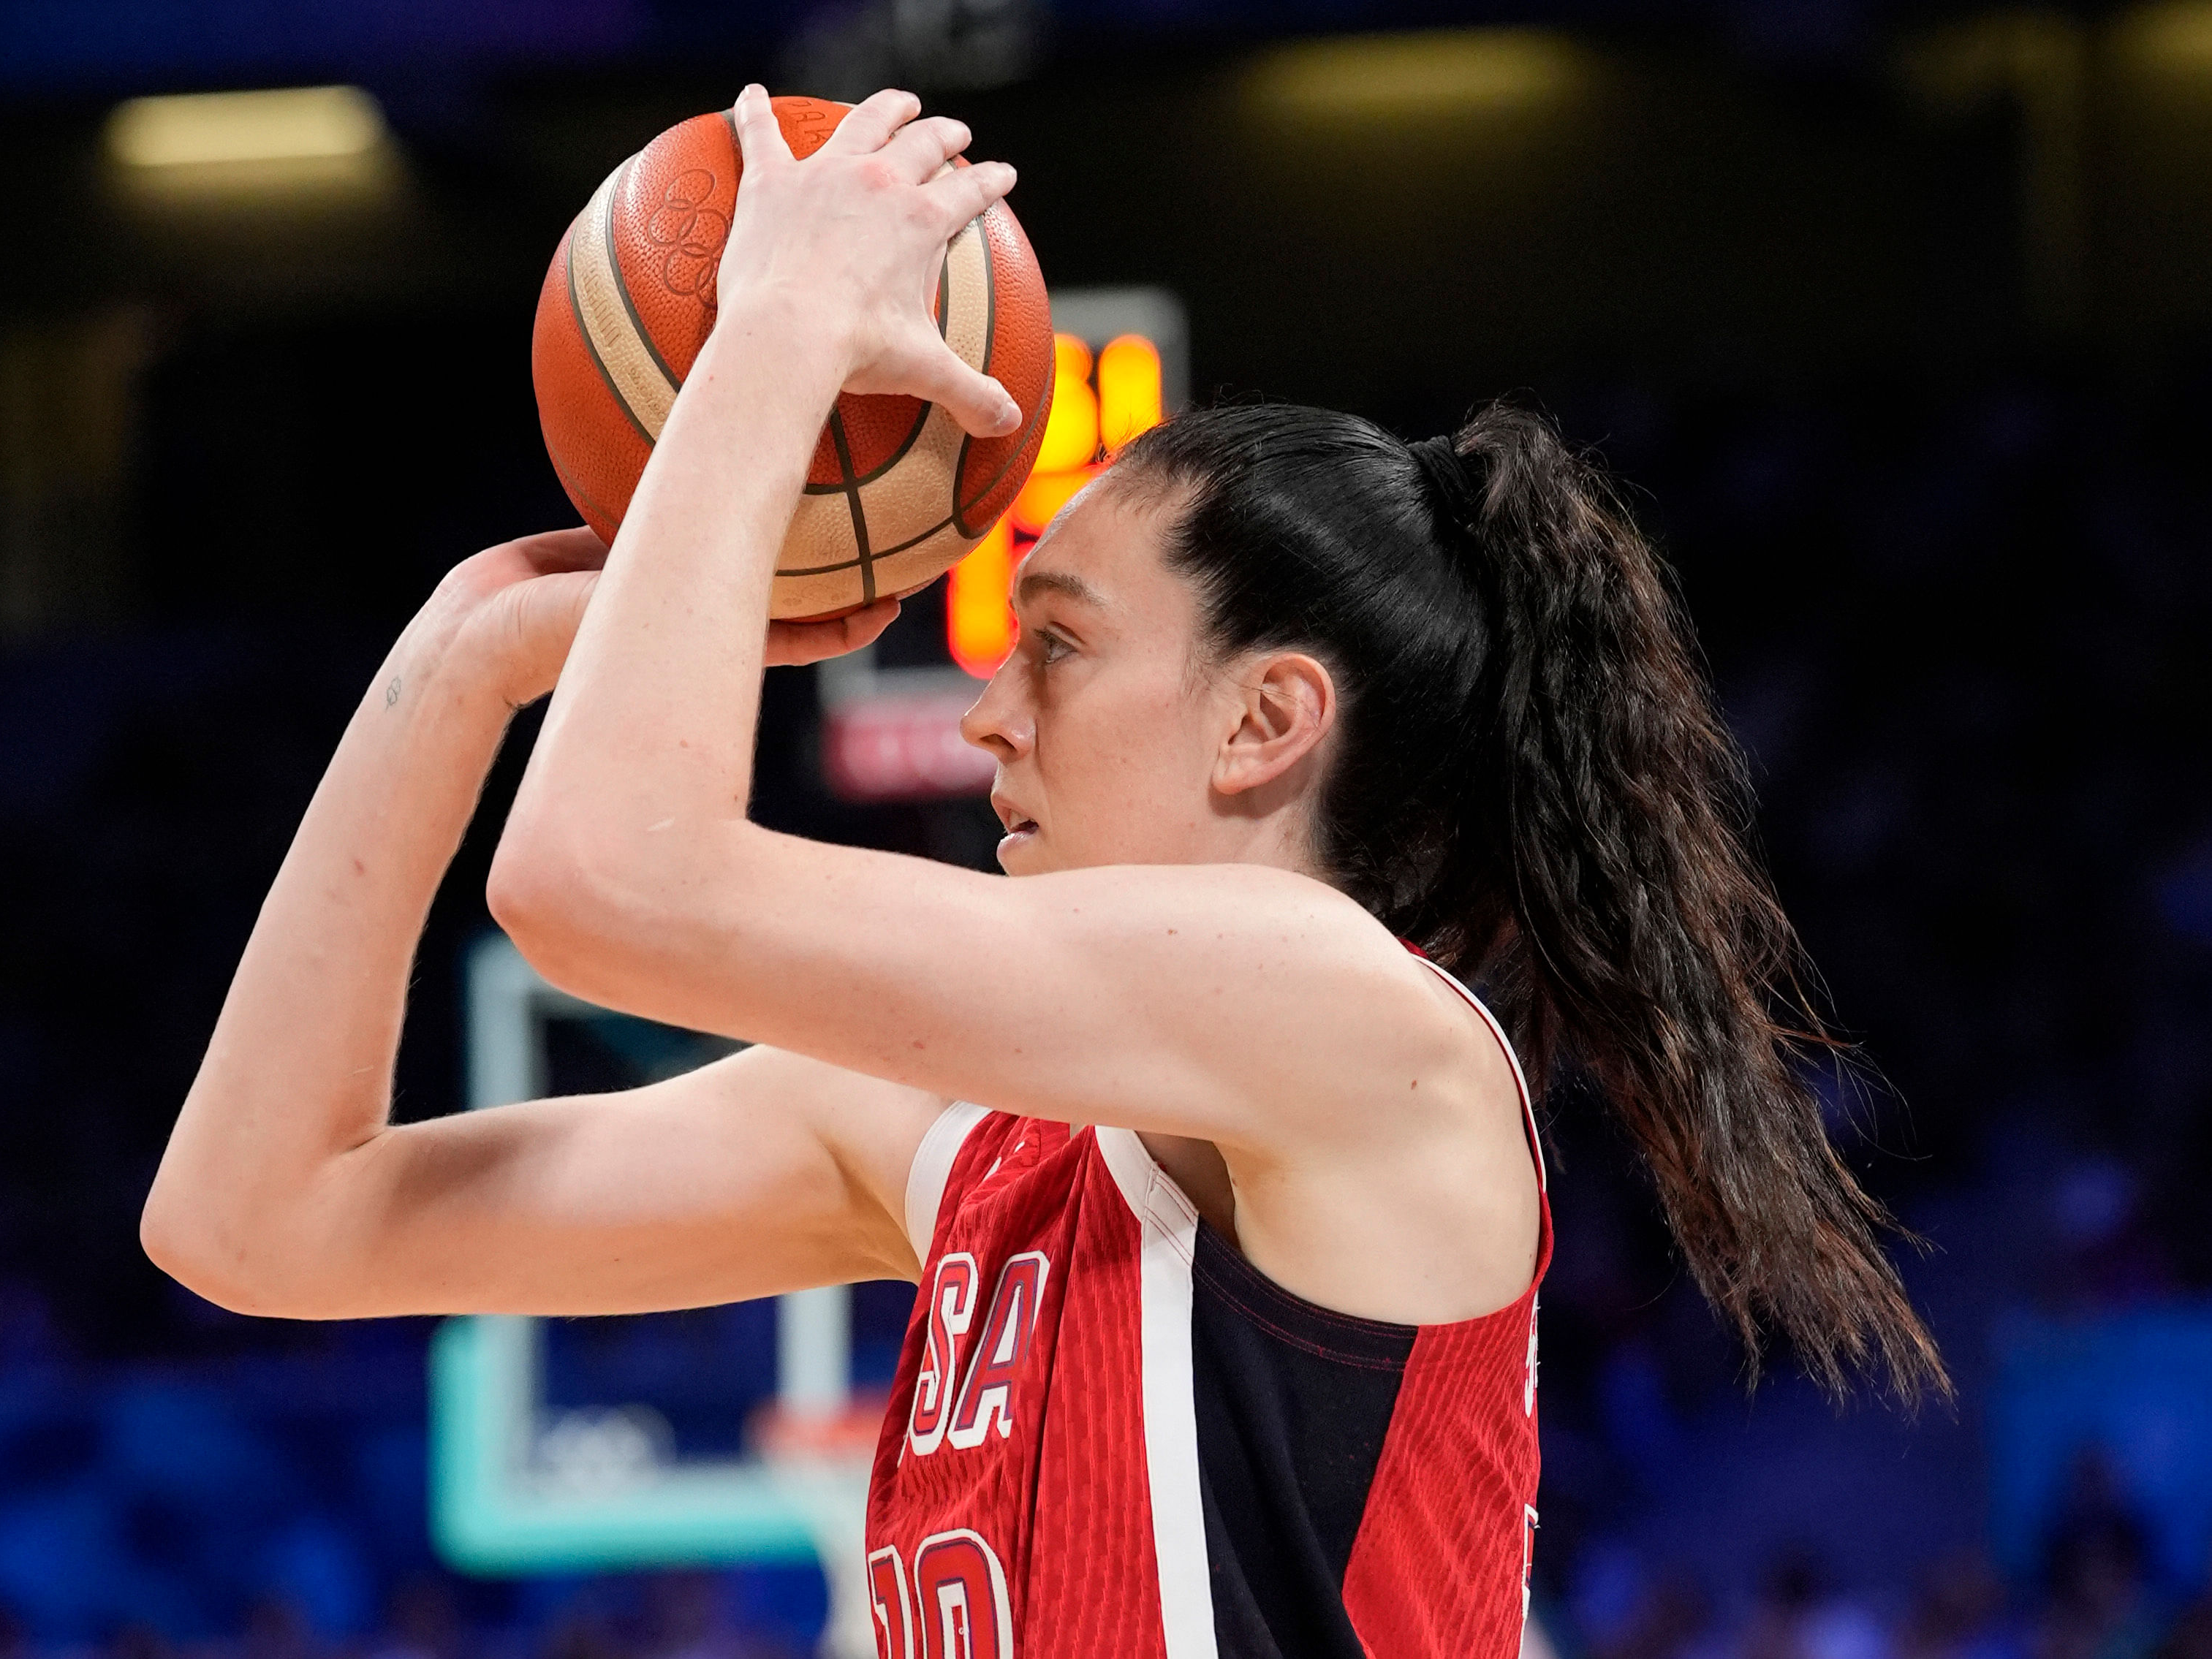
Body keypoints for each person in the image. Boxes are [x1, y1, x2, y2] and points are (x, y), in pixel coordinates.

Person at [143, 85, 1946, 1659]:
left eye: (1059, 645)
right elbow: (253, 1219)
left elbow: (610, 880)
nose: (987, 713)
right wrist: (460, 657)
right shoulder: (955, 1141)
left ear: (1266, 720)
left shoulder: (1352, 1023)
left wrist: (768, 342)